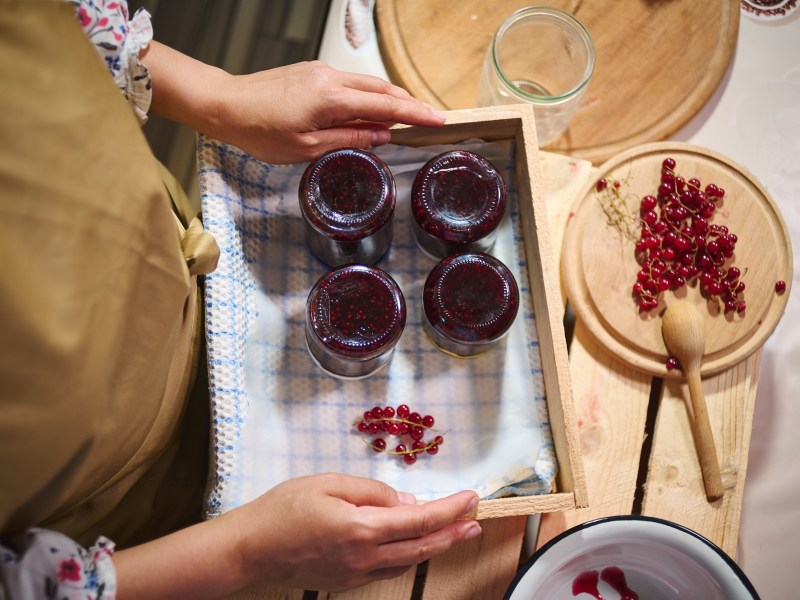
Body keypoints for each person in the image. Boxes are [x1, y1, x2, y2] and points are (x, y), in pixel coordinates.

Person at [0, 1, 480, 598]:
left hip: (174, 273)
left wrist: (217, 96)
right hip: (119, 515)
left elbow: (56, 22)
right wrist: (245, 557)